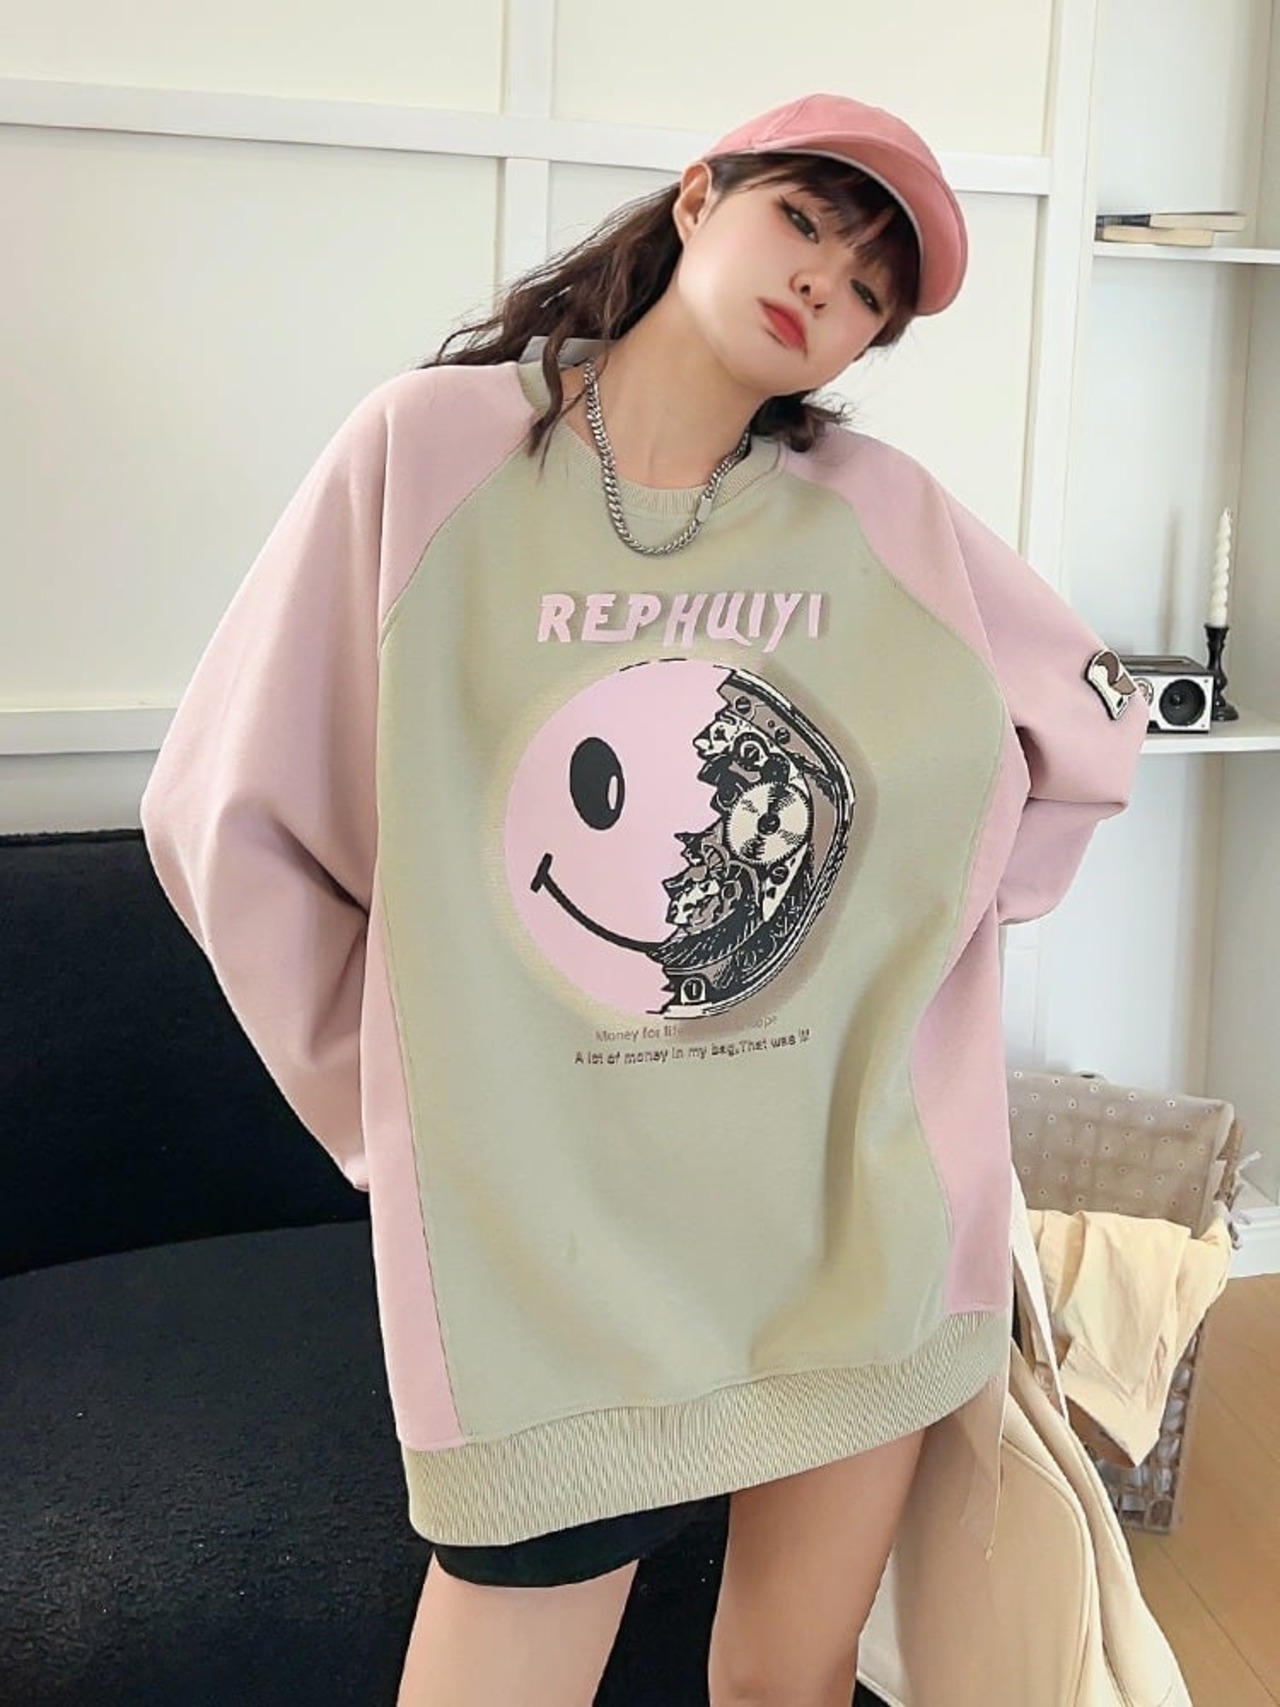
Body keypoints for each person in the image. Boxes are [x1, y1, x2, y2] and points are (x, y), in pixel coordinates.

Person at [139, 92, 1148, 1707]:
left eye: (869, 289)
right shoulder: (426, 450)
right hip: (550, 1263)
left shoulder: (880, 513)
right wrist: (400, 1102)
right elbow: (221, 816)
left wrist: (915, 948)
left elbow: (1088, 730)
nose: (822, 283)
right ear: (699, 198)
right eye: (804, 221)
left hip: (850, 1219)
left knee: (786, 1686)